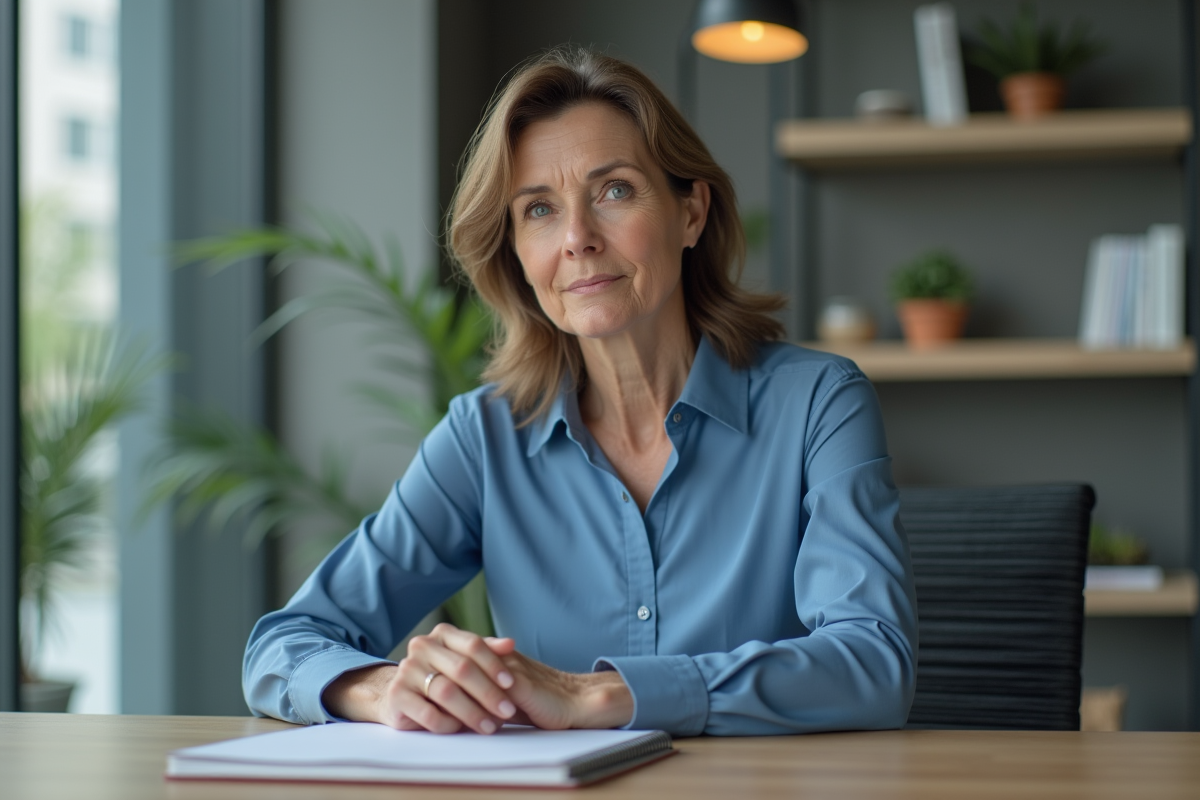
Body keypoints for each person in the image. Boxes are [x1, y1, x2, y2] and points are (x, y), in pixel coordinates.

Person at [243, 46, 917, 737]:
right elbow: (281, 648)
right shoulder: (484, 438)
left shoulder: (818, 404)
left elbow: (873, 663)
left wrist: (596, 696)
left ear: (691, 212)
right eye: (538, 209)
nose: (577, 238)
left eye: (615, 191)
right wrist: (386, 690)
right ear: (514, 253)